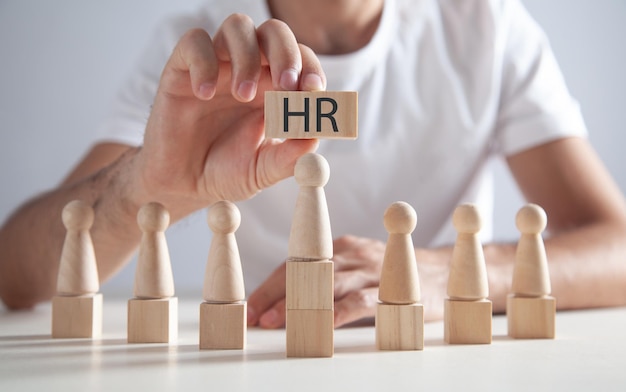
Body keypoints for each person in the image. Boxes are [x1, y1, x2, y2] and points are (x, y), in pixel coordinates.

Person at [1, 0, 625, 329]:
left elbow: (617, 248)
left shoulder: (487, 26)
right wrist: (146, 187)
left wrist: (455, 274)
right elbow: (14, 274)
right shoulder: (195, 53)